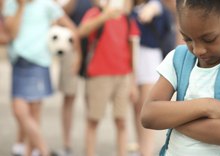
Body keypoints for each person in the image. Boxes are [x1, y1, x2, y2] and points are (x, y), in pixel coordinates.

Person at [140, 0, 220, 156]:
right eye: (187, 39)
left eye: (209, 39)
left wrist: (172, 119)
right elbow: (148, 115)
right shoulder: (178, 58)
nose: (198, 50)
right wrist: (206, 106)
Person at [2, 0, 81, 155]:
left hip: (39, 64)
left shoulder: (46, 4)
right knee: (19, 111)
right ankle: (44, 150)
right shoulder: (11, 4)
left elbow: (71, 28)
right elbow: (12, 33)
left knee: (34, 114)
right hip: (19, 64)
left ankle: (31, 151)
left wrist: (77, 54)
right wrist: (21, 7)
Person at [78, 0, 140, 155]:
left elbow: (132, 51)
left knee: (121, 121)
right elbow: (81, 31)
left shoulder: (126, 18)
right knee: (93, 120)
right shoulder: (95, 13)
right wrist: (104, 16)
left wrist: (132, 82)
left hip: (123, 75)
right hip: (99, 75)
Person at [130, 0, 172, 155]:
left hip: (148, 58)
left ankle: (146, 151)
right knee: (135, 106)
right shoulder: (132, 7)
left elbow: (147, 14)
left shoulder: (155, 5)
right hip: (133, 56)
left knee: (145, 107)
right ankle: (141, 148)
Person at [54, 0, 92, 155]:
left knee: (91, 99)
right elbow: (59, 13)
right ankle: (67, 144)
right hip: (70, 44)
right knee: (69, 96)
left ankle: (89, 146)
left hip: (94, 44)